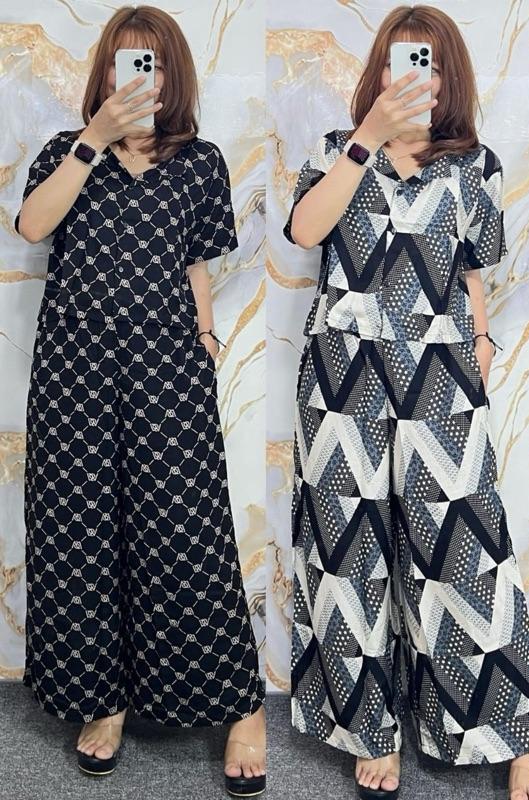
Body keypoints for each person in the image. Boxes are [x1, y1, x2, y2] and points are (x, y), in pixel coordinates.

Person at [283, 5, 529, 800]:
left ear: (446, 72)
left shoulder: (476, 165)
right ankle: (372, 730)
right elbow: (304, 232)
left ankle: (492, 727)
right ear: (379, 70)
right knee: (348, 555)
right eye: (398, 59)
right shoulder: (336, 149)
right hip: (342, 379)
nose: (411, 74)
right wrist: (367, 136)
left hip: (441, 374)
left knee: (462, 552)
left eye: (426, 60)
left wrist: (483, 344)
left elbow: (472, 268)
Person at [15, 6, 266, 797]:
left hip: (167, 365)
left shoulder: (201, 162)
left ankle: (241, 705)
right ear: (105, 72)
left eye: (151, 64)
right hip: (75, 370)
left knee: (186, 529)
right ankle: (105, 700)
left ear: (172, 75)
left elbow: (196, 262)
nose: (138, 77)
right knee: (81, 529)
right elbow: (33, 226)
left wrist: (207, 331)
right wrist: (94, 139)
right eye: (125, 62)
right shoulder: (66, 151)